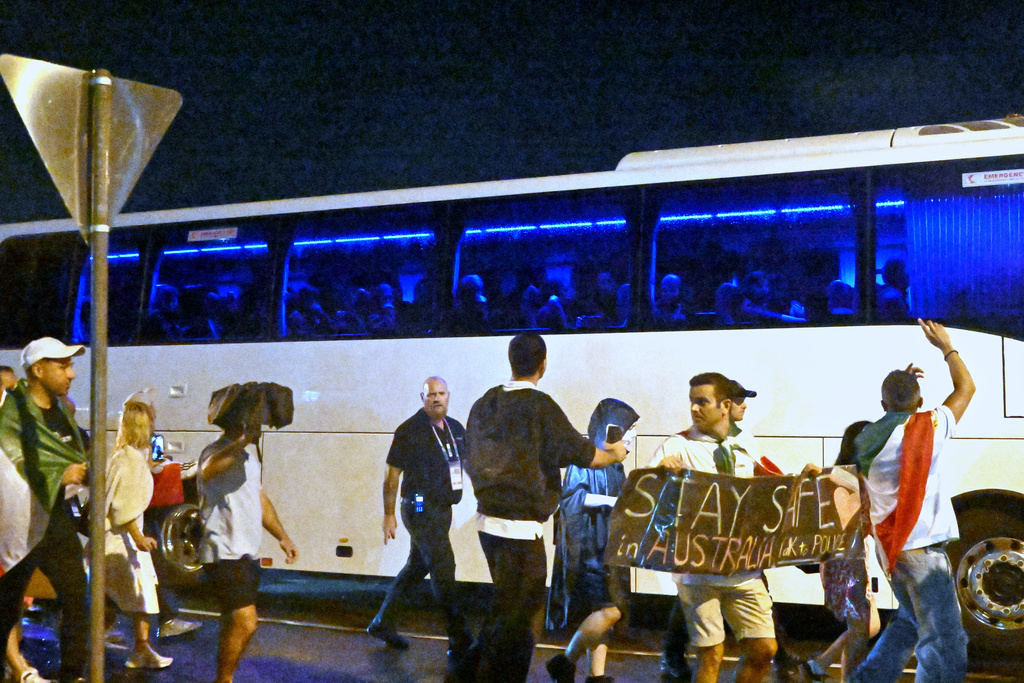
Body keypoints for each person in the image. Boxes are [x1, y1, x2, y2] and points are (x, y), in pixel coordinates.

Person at [452, 333, 628, 682]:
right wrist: (615, 454)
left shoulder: (484, 402)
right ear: (543, 364)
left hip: (487, 523)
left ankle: (464, 672)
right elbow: (583, 454)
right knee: (524, 621)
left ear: (511, 360)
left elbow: (470, 455)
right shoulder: (540, 405)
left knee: (505, 607)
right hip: (520, 528)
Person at [849, 319, 973, 683]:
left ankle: (867, 679)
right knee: (946, 641)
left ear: (883, 403)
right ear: (919, 401)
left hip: (892, 550)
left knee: (908, 623)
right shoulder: (928, 426)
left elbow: (893, 414)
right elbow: (967, 387)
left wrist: (899, 386)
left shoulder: (865, 437)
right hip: (923, 553)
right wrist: (946, 346)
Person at [648, 372, 777, 683]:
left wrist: (804, 480)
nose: (694, 408)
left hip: (743, 566)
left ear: (724, 406)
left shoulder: (744, 443)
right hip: (698, 569)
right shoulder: (677, 446)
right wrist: (663, 477)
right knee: (711, 655)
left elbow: (769, 485)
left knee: (764, 649)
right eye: (692, 402)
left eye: (702, 402)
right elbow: (646, 488)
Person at [0, 338, 90, 683]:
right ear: (38, 370)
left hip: (55, 518)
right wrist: (58, 474)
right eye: (63, 365)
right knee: (7, 605)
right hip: (18, 523)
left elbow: (73, 454)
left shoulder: (64, 411)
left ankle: (73, 674)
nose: (72, 374)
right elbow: (11, 467)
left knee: (78, 595)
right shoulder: (14, 415)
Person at [366, 377, 472, 659]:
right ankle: (459, 637)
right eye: (431, 395)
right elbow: (392, 476)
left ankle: (382, 622)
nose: (436, 399)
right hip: (420, 509)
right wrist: (389, 515)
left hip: (443, 509)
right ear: (421, 398)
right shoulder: (409, 430)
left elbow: (467, 465)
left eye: (441, 394)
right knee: (444, 567)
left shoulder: (456, 429)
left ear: (449, 396)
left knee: (417, 566)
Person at [198, 408, 299, 683]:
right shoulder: (216, 451)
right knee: (246, 621)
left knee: (233, 621)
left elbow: (259, 499)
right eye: (254, 422)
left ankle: (223, 677)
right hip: (223, 550)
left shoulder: (248, 458)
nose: (260, 426)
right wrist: (240, 441)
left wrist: (283, 536)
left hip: (245, 551)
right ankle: (224, 680)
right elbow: (207, 471)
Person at [544, 398, 639, 683]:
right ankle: (565, 661)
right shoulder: (583, 462)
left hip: (608, 546)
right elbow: (574, 499)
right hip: (589, 547)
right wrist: (615, 503)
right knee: (610, 610)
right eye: (626, 433)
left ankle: (596, 674)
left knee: (603, 612)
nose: (630, 440)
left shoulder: (615, 467)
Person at [803, 421, 880, 682]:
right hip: (846, 563)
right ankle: (843, 676)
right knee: (861, 627)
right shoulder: (845, 478)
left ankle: (820, 664)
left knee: (868, 625)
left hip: (848, 561)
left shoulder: (854, 476)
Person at [102, 392, 172, 669]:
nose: (155, 424)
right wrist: (139, 537)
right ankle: (140, 650)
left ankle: (109, 642)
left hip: (114, 538)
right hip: (123, 540)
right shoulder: (129, 460)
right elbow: (123, 506)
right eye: (152, 419)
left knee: (113, 594)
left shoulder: (126, 456)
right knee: (141, 594)